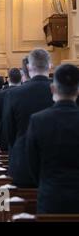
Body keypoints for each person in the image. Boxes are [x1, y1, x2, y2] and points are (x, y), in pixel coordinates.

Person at [26, 64, 79, 214]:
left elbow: (33, 163)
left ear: (53, 89)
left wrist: (44, 183)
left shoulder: (38, 120)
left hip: (51, 196)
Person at [1, 49, 54, 188]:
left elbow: (9, 131)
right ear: (50, 65)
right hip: (56, 165)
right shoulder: (59, 91)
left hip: (23, 163)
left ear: (29, 67)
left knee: (19, 206)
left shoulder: (14, 94)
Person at [0, 68, 22, 152]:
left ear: (8, 79)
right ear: (21, 78)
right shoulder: (27, 93)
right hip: (23, 139)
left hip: (5, 138)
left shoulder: (0, 95)